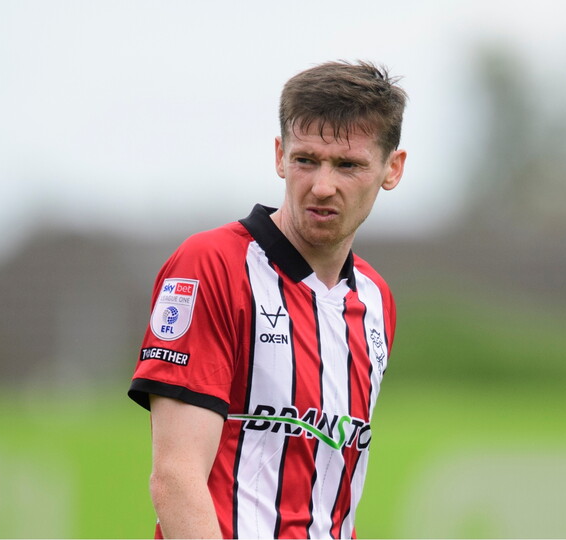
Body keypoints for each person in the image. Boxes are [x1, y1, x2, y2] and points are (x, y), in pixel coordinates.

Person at [128, 60, 407, 539]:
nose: (322, 186)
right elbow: (176, 478)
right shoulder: (211, 266)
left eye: (348, 165)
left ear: (391, 169)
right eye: (306, 160)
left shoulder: (376, 300)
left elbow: (330, 505)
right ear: (279, 156)